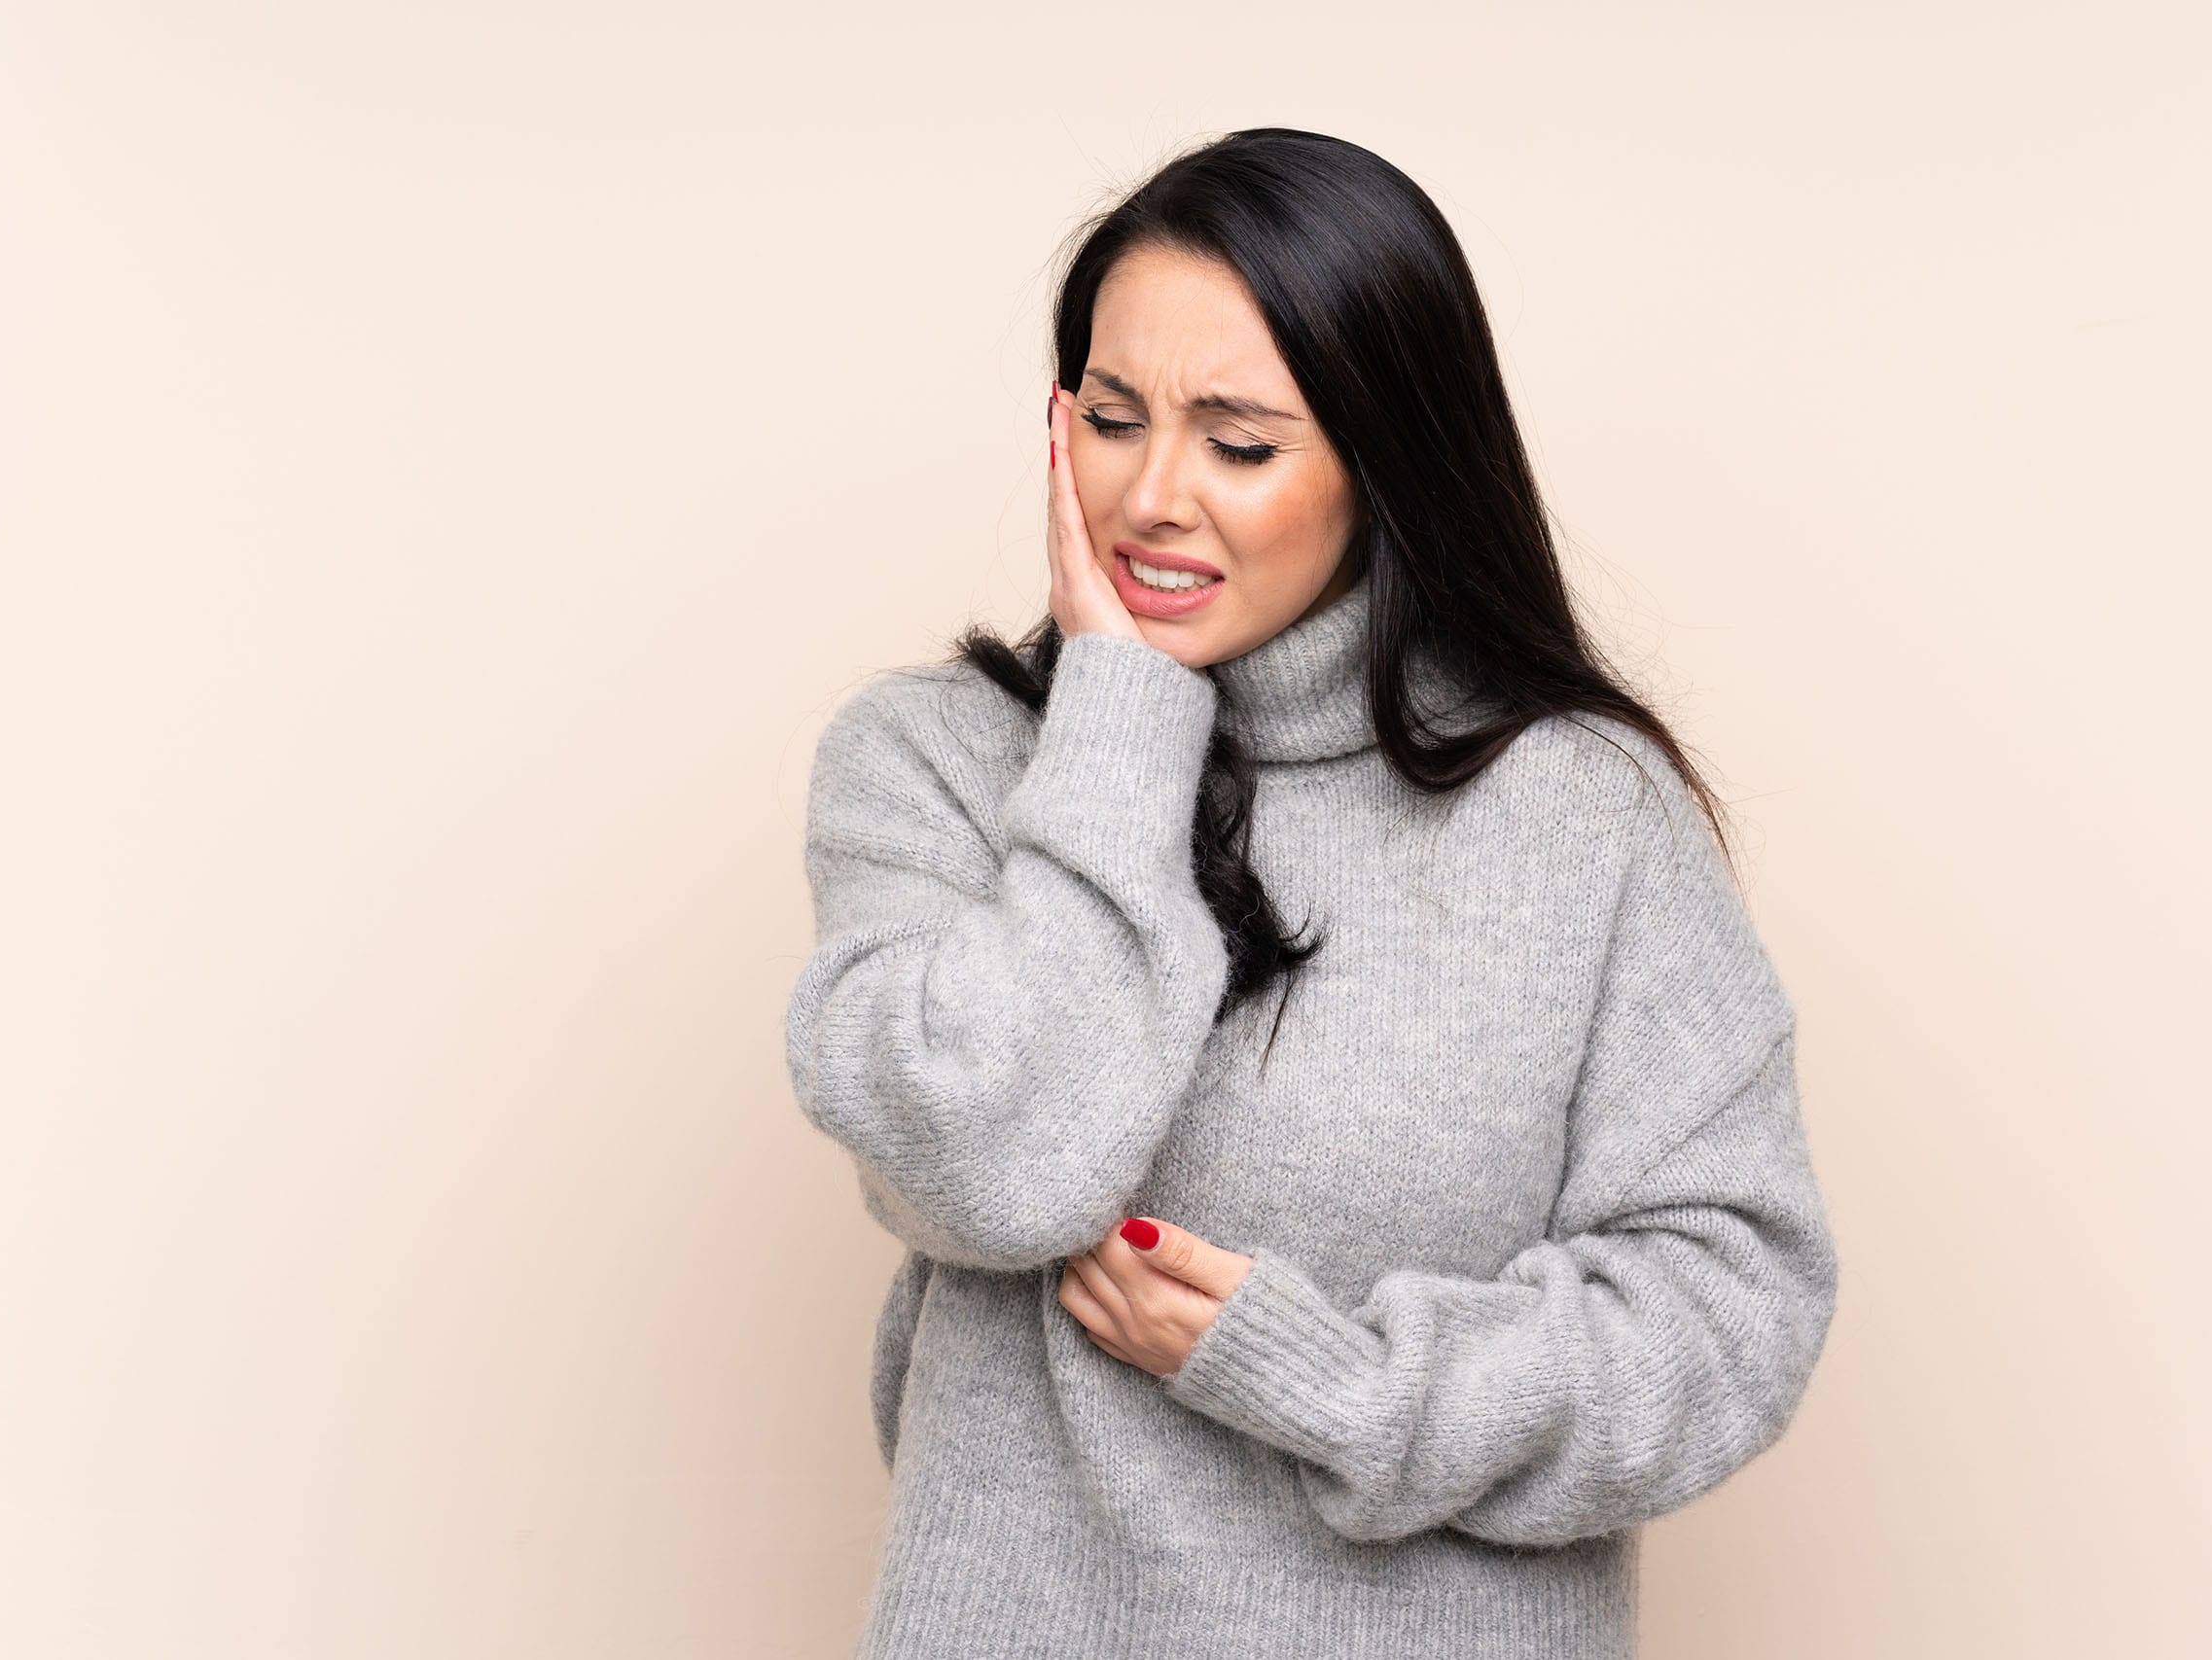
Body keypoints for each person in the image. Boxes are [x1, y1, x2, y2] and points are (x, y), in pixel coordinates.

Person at [784, 126, 1838, 1660]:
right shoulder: (930, 768)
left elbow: (1727, 1308)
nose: (1153, 497)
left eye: (1240, 442)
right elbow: (996, 1169)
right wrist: (1124, 720)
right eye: (1115, 419)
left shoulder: (1584, 816)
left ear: (1382, 460)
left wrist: (1331, 1378)